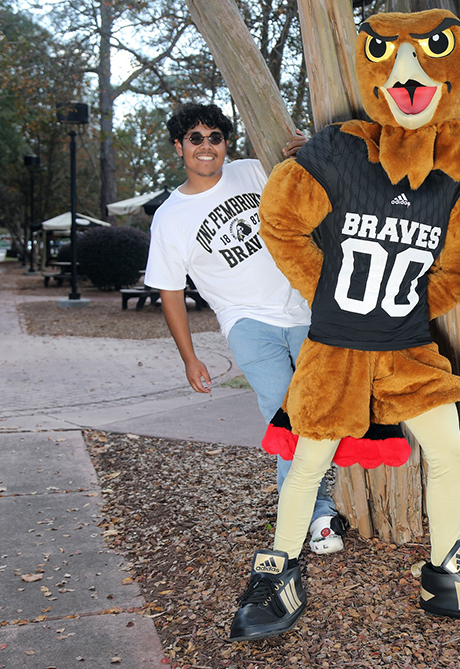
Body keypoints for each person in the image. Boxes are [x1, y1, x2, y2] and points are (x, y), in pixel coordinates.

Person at [228, 9, 460, 643]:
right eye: (391, 62)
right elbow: (281, 222)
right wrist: (332, 291)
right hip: (335, 347)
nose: (407, 78)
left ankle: (447, 571)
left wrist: (415, 301)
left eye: (426, 60)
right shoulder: (342, 151)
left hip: (407, 346)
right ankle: (279, 567)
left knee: (449, 449)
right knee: (310, 460)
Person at [143, 102, 345, 554]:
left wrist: (307, 149)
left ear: (225, 143)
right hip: (247, 322)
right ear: (179, 147)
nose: (206, 147)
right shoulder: (170, 218)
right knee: (284, 412)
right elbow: (170, 293)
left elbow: (308, 187)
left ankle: (316, 502)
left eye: (214, 137)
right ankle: (314, 518)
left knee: (325, 408)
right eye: (195, 138)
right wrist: (190, 357)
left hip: (307, 308)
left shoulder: (253, 171)